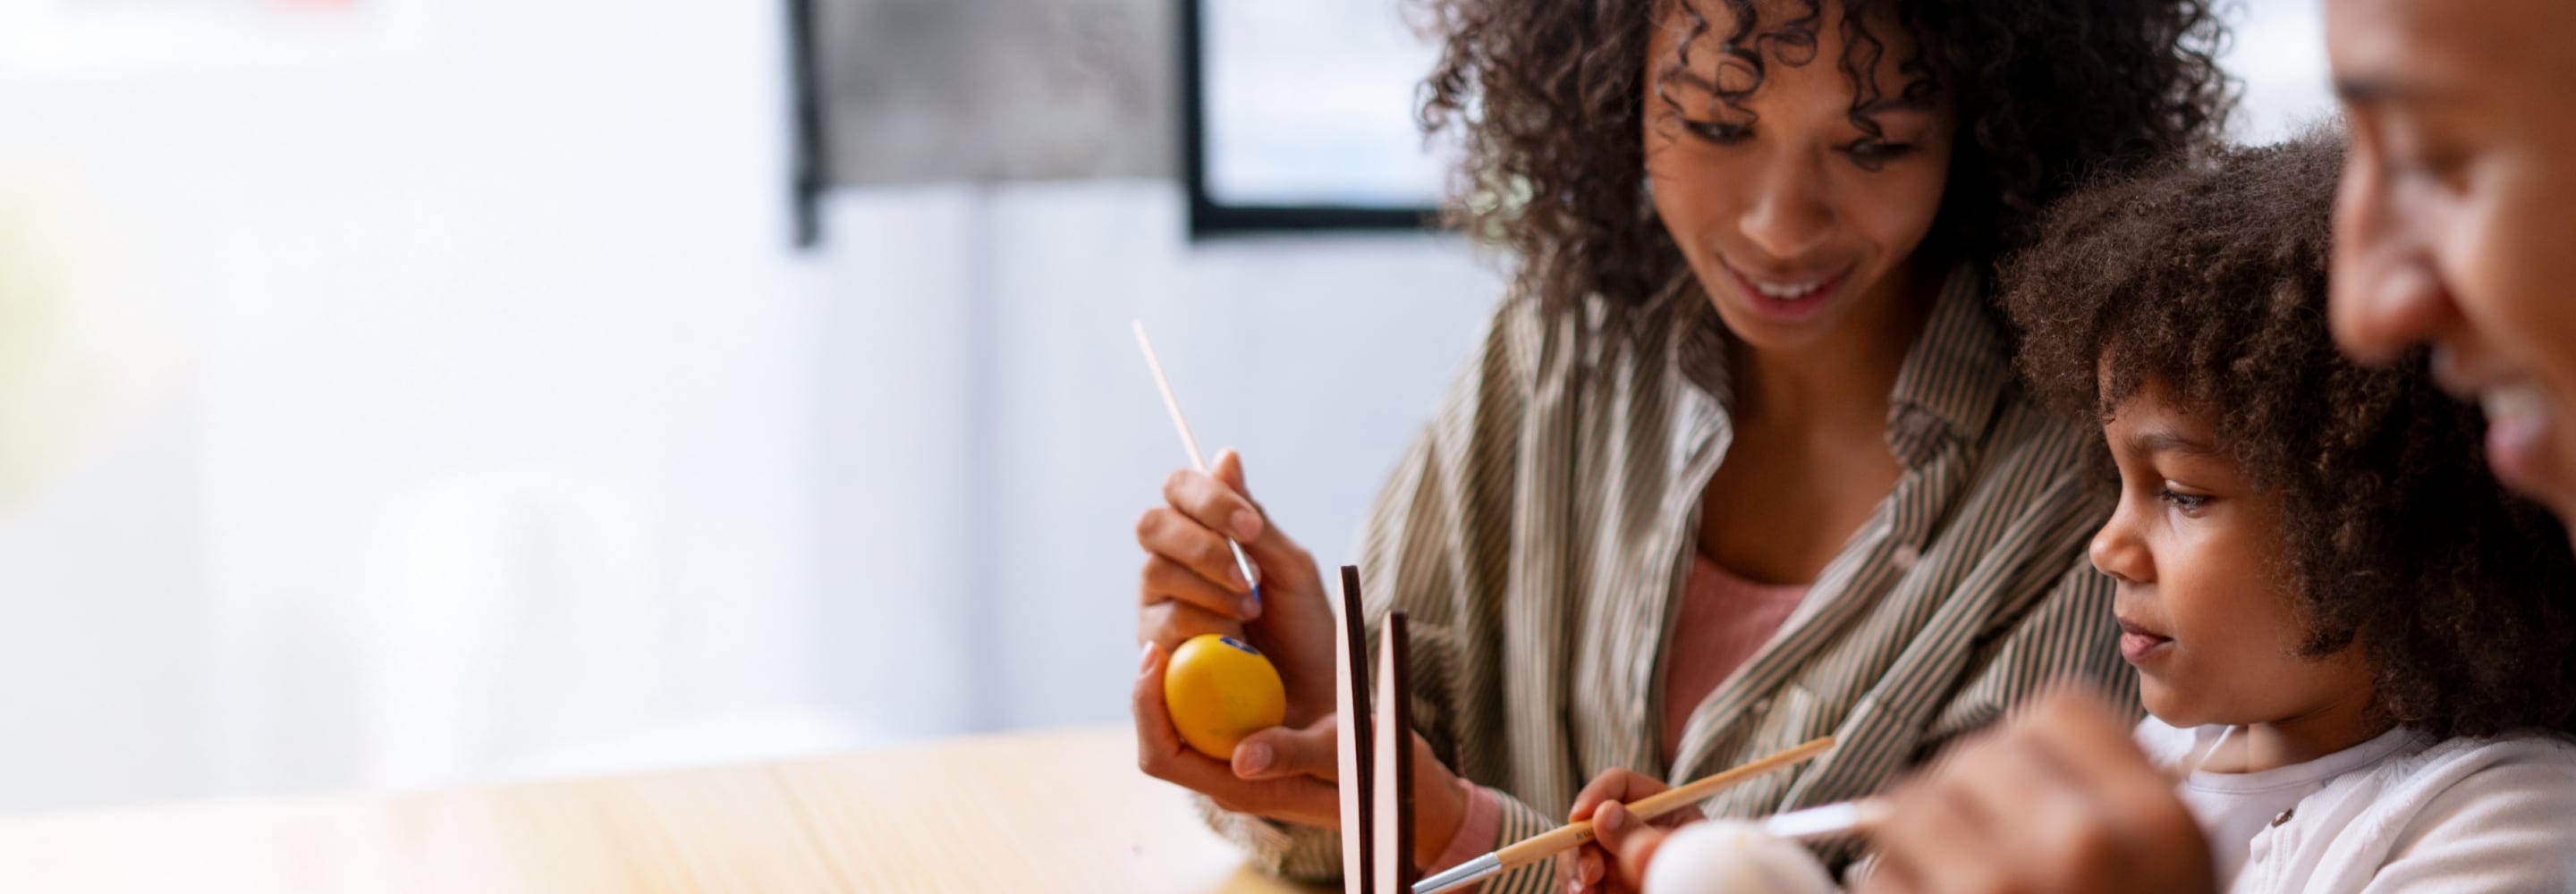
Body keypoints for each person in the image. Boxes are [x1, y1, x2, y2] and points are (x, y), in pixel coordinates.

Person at [1128, 0, 2233, 886]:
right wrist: (1321, 723)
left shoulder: (2091, 480)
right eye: (1714, 125)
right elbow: (1361, 822)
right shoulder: (1559, 347)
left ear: (1989, 123)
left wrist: (1457, 829)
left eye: (1874, 144)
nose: (1779, 225)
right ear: (1612, 88)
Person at [1842, 2, 2576, 891]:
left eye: (2183, 494)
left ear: (2381, 530)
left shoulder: (2507, 820)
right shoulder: (2166, 753)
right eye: (2120, 480)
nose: (2107, 547)